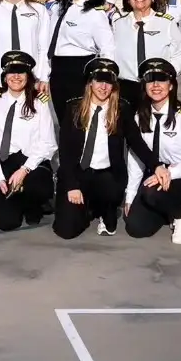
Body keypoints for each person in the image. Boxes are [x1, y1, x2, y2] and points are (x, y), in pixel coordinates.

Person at [123, 58, 181, 243]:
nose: (155, 85)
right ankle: (166, 209)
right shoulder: (140, 116)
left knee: (152, 193)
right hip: (156, 175)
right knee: (136, 228)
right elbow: (137, 157)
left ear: (171, 85)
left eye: (161, 79)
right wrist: (130, 195)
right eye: (150, 80)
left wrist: (171, 173)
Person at [52, 58, 135, 239]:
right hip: (78, 173)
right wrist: (72, 186)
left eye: (108, 82)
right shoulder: (73, 108)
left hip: (107, 175)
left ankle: (106, 209)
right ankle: (87, 208)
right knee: (66, 230)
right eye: (99, 81)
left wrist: (157, 166)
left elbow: (137, 143)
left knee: (109, 189)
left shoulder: (121, 109)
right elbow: (65, 151)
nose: (103, 87)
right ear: (90, 83)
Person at [0, 51, 57, 232]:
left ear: (28, 76)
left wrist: (24, 170)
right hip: (4, 163)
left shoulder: (39, 103)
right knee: (5, 223)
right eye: (11, 72)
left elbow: (48, 143)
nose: (16, 76)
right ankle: (15, 200)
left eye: (21, 72)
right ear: (4, 77)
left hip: (31, 163)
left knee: (39, 185)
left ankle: (33, 205)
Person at [47, 0, 115, 124]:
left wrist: (103, 79)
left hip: (80, 70)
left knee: (78, 123)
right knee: (63, 122)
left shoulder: (95, 13)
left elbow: (108, 49)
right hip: (57, 70)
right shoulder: (58, 7)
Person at [112, 0, 181, 106]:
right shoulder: (118, 24)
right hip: (126, 89)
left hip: (157, 87)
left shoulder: (166, 23)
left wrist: (166, 75)